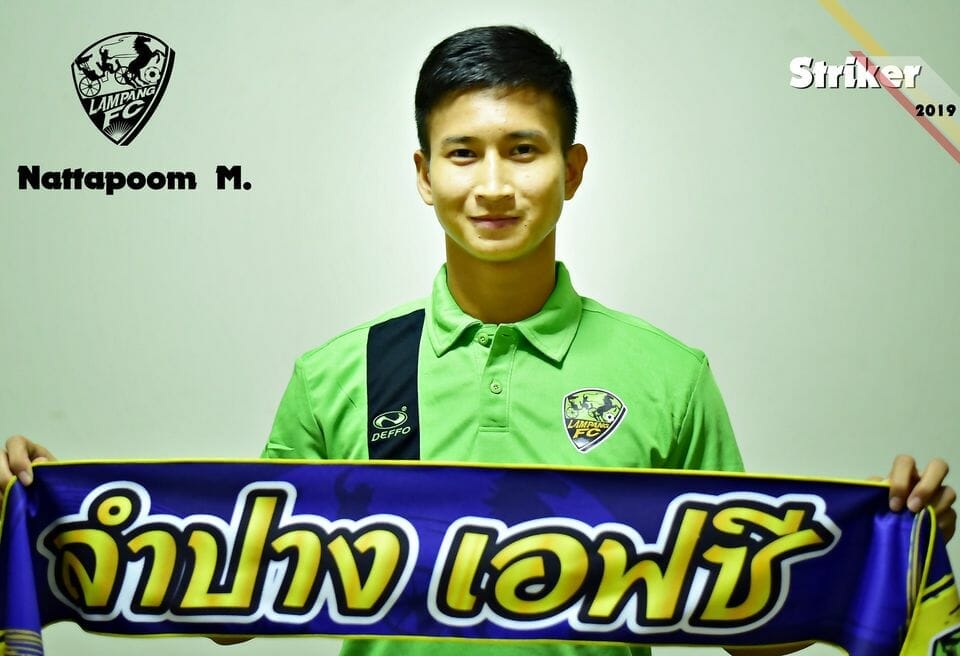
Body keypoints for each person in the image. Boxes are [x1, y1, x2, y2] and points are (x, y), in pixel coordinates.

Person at [1, 24, 956, 656]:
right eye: (463, 153)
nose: (493, 185)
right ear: (424, 174)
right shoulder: (337, 376)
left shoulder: (669, 376)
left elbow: (749, 620)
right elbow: (236, 603)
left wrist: (890, 548)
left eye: (523, 150)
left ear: (572, 169)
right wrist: (55, 514)